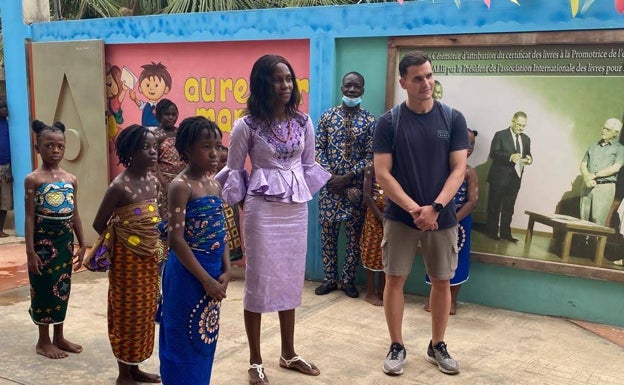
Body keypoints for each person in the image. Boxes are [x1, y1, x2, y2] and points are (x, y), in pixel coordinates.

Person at [216, 54, 330, 385]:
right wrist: (240, 210)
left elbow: (308, 166)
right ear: (263, 84)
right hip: (261, 211)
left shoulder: (304, 122)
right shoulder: (245, 125)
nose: (285, 85)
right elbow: (235, 169)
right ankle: (255, 360)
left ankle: (288, 353)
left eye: (289, 79)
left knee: (290, 279)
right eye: (277, 80)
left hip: (295, 209)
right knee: (259, 281)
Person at [372, 50, 469, 376]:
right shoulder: (389, 122)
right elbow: (383, 173)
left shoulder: (453, 118)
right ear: (403, 83)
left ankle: (437, 344)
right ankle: (397, 345)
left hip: (441, 218)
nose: (426, 83)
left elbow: (459, 169)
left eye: (429, 75)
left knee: (442, 281)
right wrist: (415, 209)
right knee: (395, 279)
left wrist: (437, 207)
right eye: (418, 78)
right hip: (402, 217)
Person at [159, 116, 232, 385]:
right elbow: (176, 239)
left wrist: (226, 270)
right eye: (206, 147)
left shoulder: (215, 184)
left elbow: (220, 229)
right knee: (182, 339)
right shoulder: (181, 186)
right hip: (188, 275)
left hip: (213, 273)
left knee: (205, 338)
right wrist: (207, 281)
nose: (214, 153)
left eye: (218, 146)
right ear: (188, 149)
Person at [91, 124, 161, 385]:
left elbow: (155, 220)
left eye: (154, 146)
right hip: (127, 261)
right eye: (145, 147)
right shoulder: (120, 186)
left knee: (145, 312)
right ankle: (124, 374)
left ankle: (135, 368)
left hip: (150, 257)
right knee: (126, 312)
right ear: (130, 151)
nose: (152, 152)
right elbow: (99, 223)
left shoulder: (153, 182)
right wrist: (125, 235)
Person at [25, 119, 86, 358]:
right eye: (49, 146)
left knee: (61, 287)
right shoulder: (34, 180)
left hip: (64, 243)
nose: (56, 151)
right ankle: (43, 341)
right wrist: (30, 251)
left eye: (60, 146)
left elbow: (75, 213)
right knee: (42, 288)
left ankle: (59, 336)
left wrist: (82, 243)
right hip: (42, 244)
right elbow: (30, 217)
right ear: (38, 147)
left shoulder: (70, 179)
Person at [315, 71, 375, 298]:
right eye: (348, 86)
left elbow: (371, 155)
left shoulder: (369, 121)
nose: (352, 90)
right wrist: (332, 177)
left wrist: (348, 177)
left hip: (354, 190)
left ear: (362, 91)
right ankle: (329, 279)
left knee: (353, 238)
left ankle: (348, 281)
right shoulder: (327, 117)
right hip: (329, 188)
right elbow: (317, 149)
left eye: (356, 87)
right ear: (341, 88)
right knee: (328, 236)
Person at [425, 129, 479, 315]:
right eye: (465, 143)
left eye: (472, 144)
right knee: (435, 258)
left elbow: (472, 202)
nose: (468, 148)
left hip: (460, 222)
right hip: (437, 219)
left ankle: (452, 301)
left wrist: (453, 220)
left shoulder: (470, 172)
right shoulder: (438, 169)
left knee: (458, 260)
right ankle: (434, 299)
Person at [485, 111, 532, 242]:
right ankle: (492, 232)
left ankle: (506, 233)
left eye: (523, 126)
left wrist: (529, 159)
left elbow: (528, 154)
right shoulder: (500, 135)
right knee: (495, 206)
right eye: (519, 125)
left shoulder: (526, 139)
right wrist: (510, 157)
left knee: (509, 208)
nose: (521, 128)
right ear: (512, 121)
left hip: (515, 179)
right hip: (499, 178)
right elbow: (493, 153)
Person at [579, 118, 624, 226]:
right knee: (582, 220)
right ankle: (582, 242)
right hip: (587, 185)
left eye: (607, 129)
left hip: (605, 187)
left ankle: (595, 243)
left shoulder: (620, 149)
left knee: (598, 221)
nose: (603, 130)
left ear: (616, 133)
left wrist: (594, 175)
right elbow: (583, 164)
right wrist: (586, 178)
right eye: (603, 127)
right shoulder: (593, 146)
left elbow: (616, 168)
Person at [360, 161, 386, 306]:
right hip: (374, 216)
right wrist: (379, 216)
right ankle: (370, 292)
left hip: (390, 216)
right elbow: (367, 195)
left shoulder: (396, 164)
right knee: (371, 252)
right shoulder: (372, 166)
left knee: (386, 254)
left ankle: (383, 290)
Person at [217, 146, 244, 263]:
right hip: (220, 214)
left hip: (231, 213)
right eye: (222, 161)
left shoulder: (233, 176)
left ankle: (230, 264)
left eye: (227, 161)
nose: (225, 165)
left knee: (233, 237)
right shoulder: (211, 179)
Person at [129, 62, 172, 128]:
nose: (151, 88)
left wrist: (158, 113)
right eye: (148, 85)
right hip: (145, 128)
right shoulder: (146, 105)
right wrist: (134, 99)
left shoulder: (161, 106)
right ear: (140, 88)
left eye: (156, 85)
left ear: (166, 89)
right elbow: (140, 104)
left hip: (157, 129)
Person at [0, 100, 12, 237]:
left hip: (6, 167)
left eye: (5, 108)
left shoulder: (9, 125)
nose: (5, 110)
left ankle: (0, 229)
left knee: (5, 200)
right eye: (2, 108)